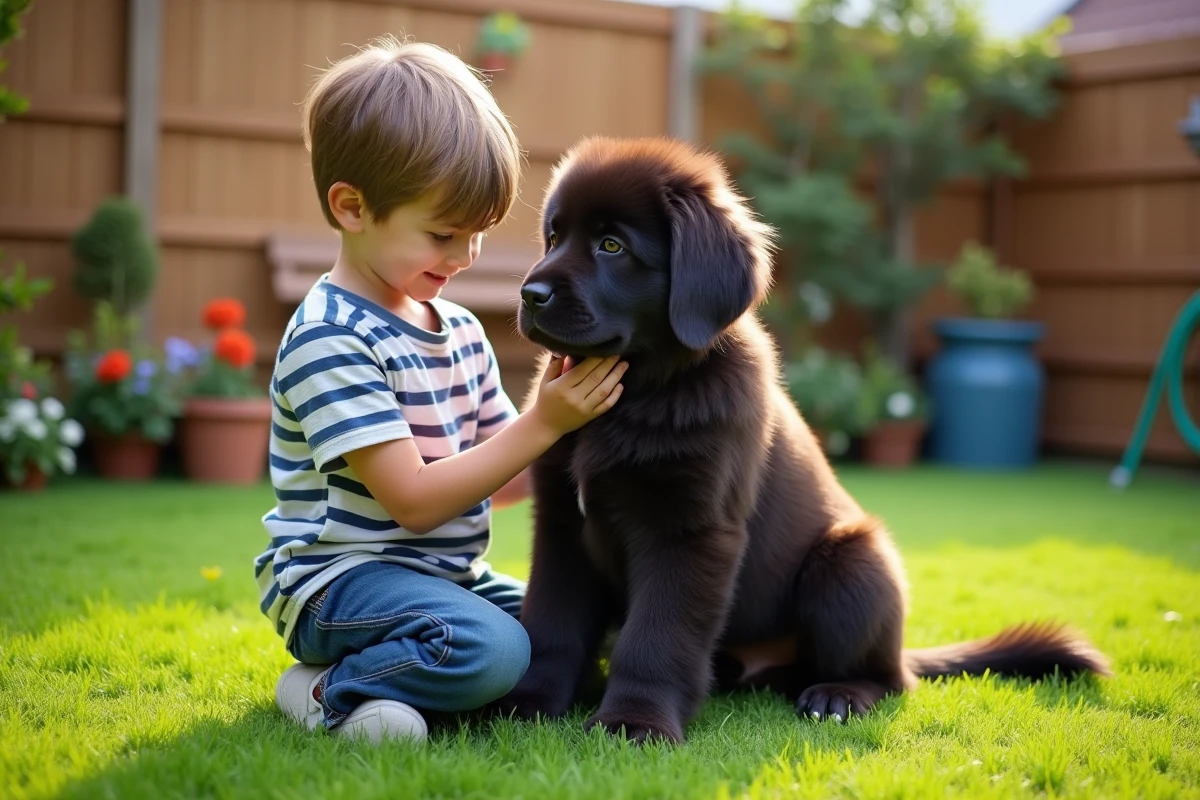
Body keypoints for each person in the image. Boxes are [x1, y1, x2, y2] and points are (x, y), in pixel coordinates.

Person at [256, 37, 627, 744]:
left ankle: (403, 690)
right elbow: (416, 502)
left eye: (478, 234)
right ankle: (323, 690)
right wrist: (544, 423)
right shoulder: (331, 338)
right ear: (352, 207)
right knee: (495, 649)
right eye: (442, 233)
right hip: (338, 584)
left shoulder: (456, 328)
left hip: (444, 582)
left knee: (574, 637)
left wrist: (582, 419)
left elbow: (504, 482)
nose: (464, 257)